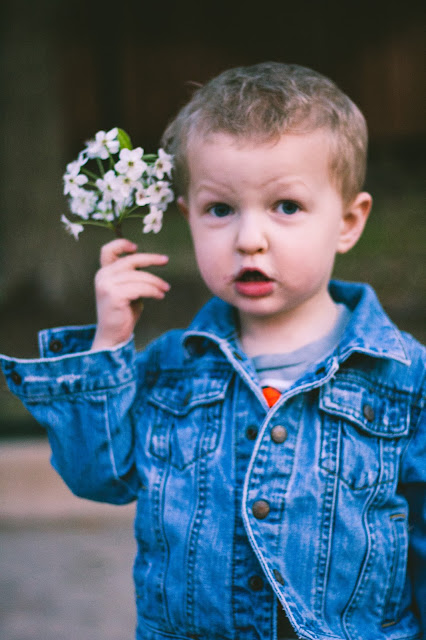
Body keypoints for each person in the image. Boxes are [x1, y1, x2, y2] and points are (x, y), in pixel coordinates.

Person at [1, 62, 425, 640]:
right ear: (188, 219)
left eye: (286, 207)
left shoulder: (404, 377)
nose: (249, 237)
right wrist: (109, 343)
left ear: (349, 222)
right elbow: (96, 477)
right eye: (220, 210)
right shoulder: (169, 368)